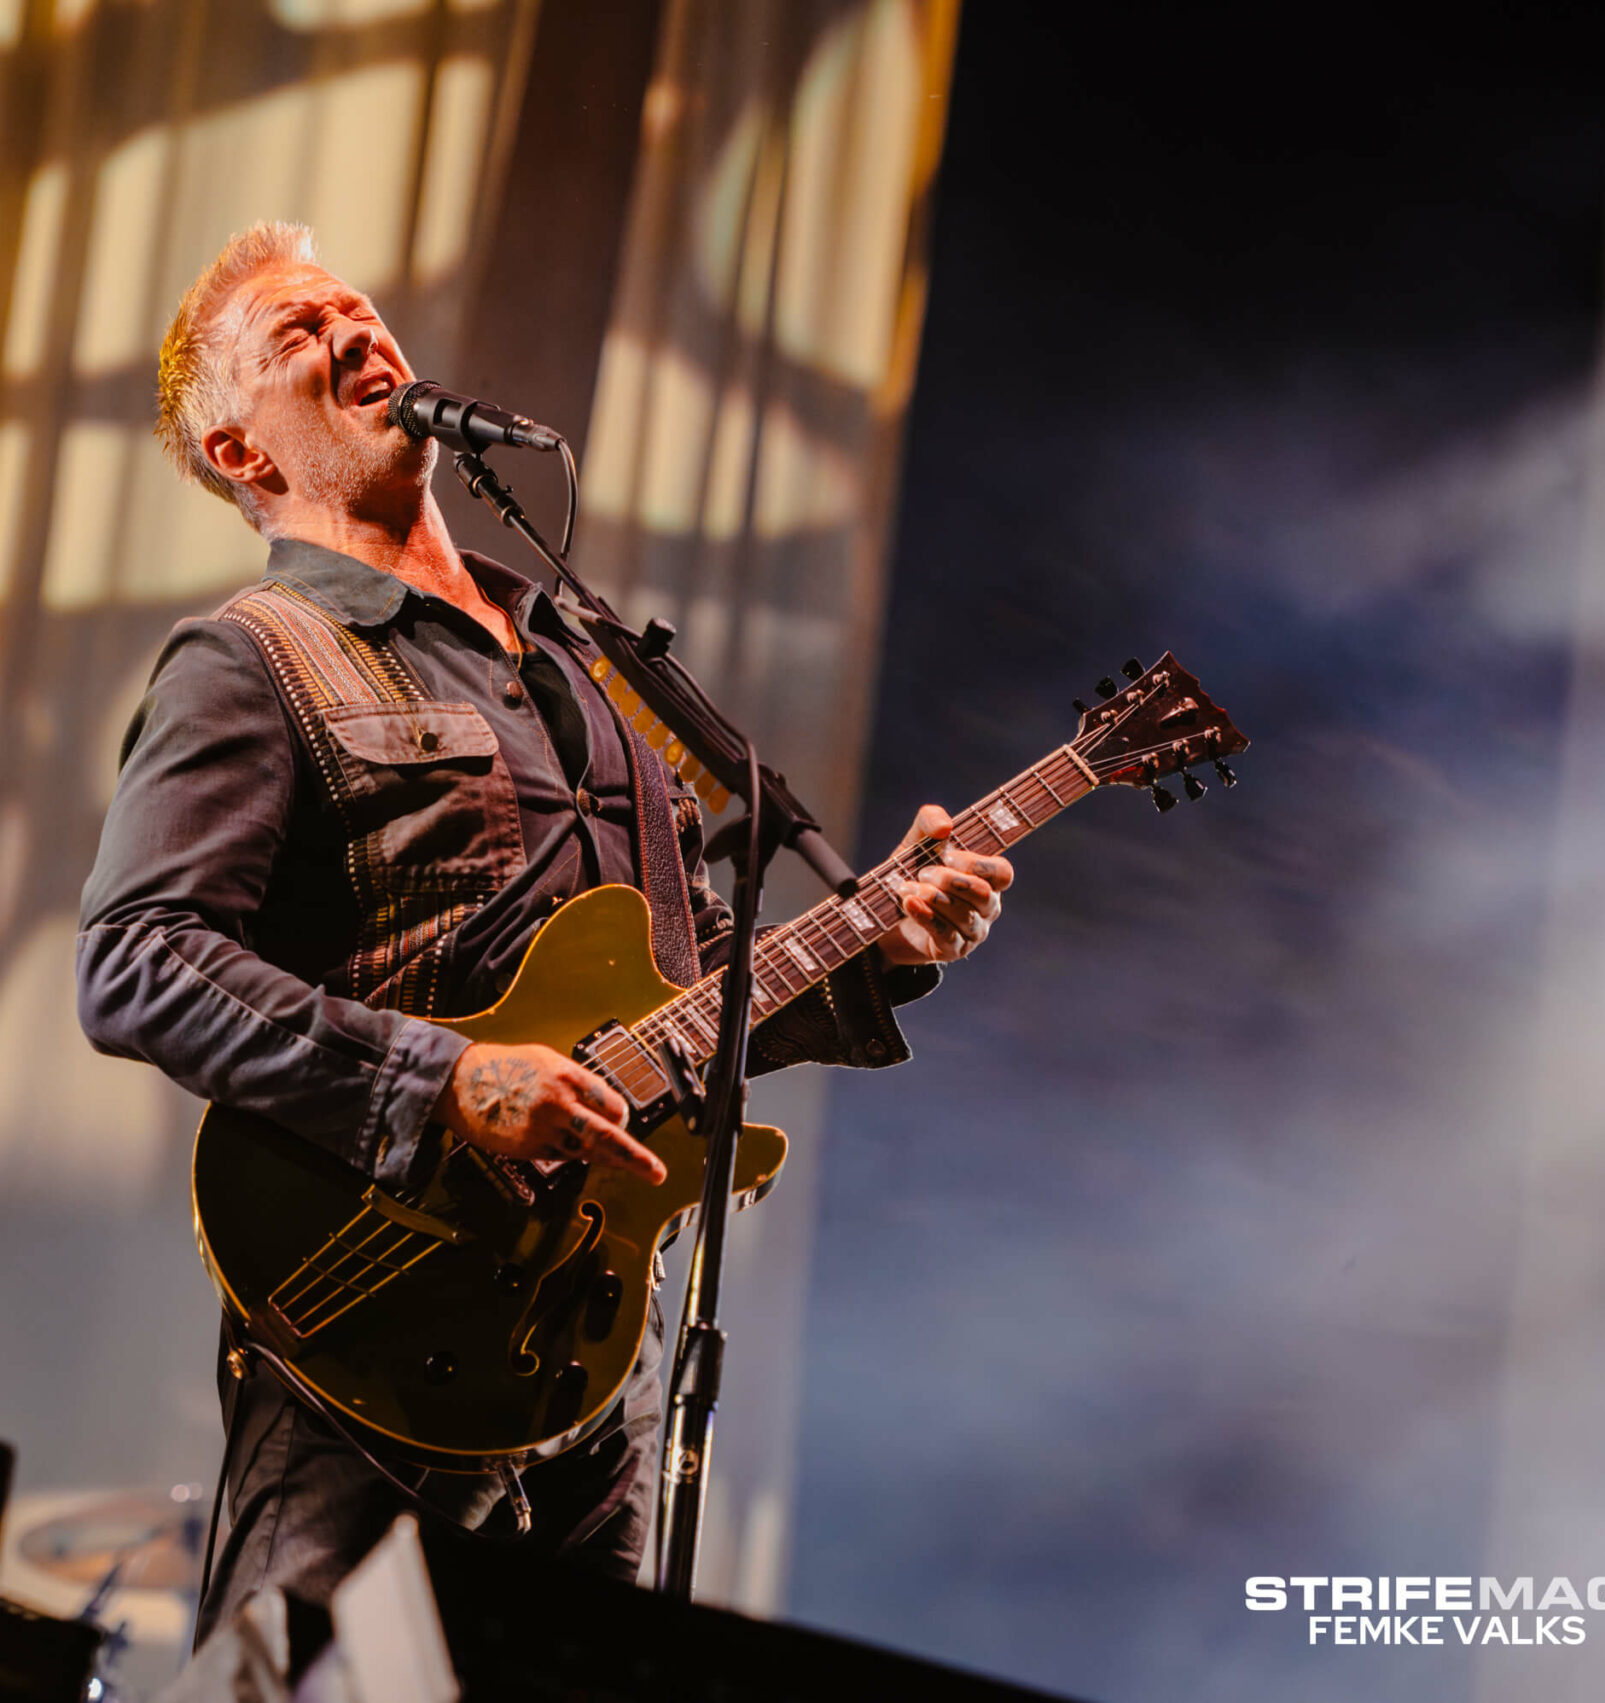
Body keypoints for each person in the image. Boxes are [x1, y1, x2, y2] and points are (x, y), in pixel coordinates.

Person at [75, 221, 1014, 1643]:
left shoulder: (585, 666)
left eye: (356, 307)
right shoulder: (253, 657)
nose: (353, 331)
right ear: (240, 453)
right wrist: (445, 1080)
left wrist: (878, 942)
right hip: (379, 1319)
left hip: (593, 1347)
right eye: (297, 333)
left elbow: (690, 994)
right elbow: (136, 959)